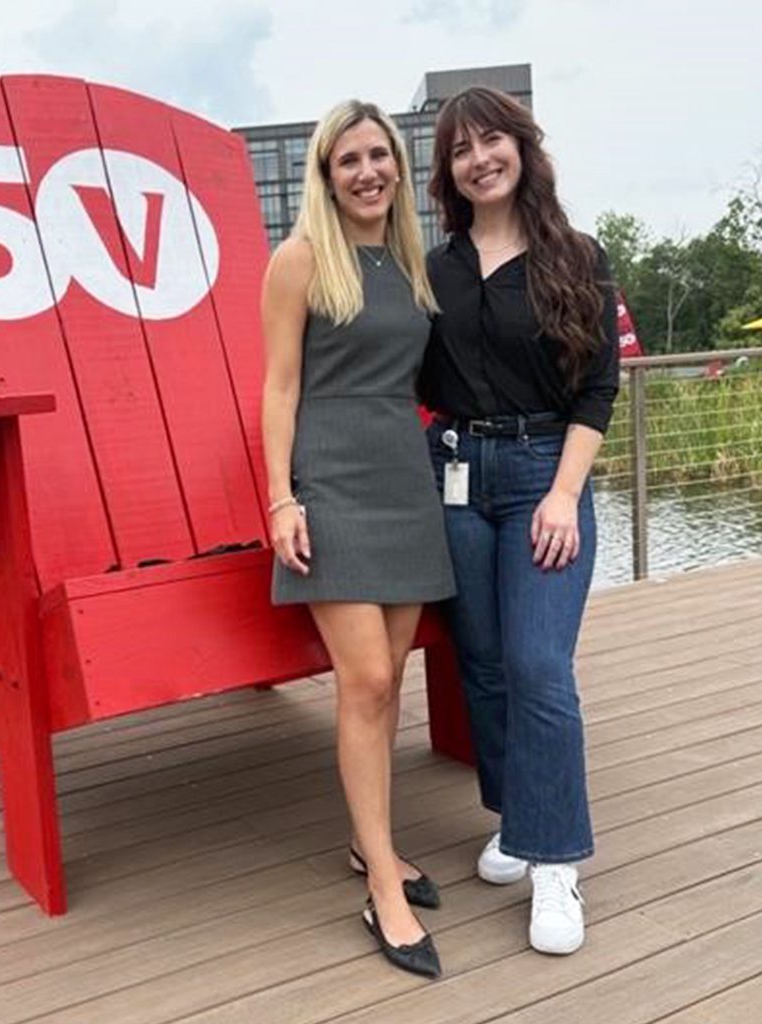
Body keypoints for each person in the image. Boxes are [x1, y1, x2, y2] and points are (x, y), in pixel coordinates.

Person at [421, 86, 620, 955]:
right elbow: (406, 379)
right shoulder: (436, 270)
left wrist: (565, 494)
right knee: (487, 665)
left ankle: (554, 862)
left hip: (545, 472)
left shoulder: (574, 255)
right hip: (458, 473)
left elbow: (599, 386)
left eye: (491, 139)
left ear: (522, 148)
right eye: (462, 148)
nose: (479, 158)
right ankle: (515, 816)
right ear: (449, 170)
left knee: (540, 666)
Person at [261, 100, 455, 978]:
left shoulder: (410, 262)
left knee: (389, 685)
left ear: (398, 168)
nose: (368, 171)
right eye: (350, 160)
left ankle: (366, 841)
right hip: (331, 481)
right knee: (365, 677)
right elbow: (279, 389)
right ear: (325, 173)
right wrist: (281, 501)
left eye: (381, 156)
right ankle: (381, 881)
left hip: (404, 479)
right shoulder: (300, 259)